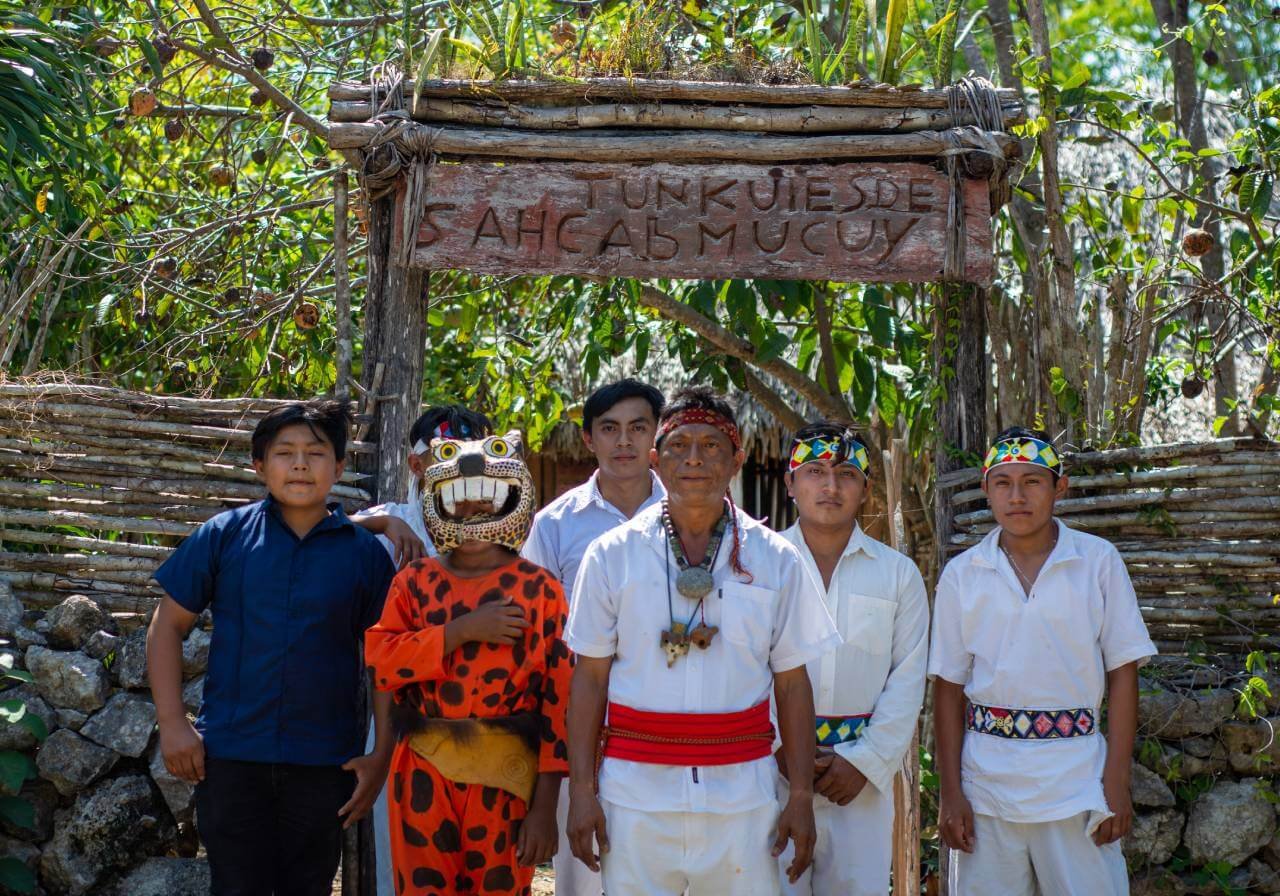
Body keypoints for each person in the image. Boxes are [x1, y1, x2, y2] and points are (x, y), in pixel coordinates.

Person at [564, 387, 841, 896]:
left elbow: (794, 683)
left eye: (711, 445)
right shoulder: (611, 556)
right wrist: (582, 790)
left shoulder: (775, 559)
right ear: (656, 458)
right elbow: (589, 677)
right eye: (679, 444)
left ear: (737, 459)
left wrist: (800, 794)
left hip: (744, 798)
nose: (693, 459)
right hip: (635, 798)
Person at [148, 399, 397, 896]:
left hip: (325, 763)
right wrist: (173, 724)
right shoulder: (223, 537)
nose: (300, 464)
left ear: (340, 466)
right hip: (232, 757)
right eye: (284, 452)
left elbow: (385, 661)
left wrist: (382, 752)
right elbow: (165, 627)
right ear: (259, 465)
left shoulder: (365, 556)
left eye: (316, 452)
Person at [929, 427, 1156, 895]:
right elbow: (948, 688)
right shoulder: (962, 575)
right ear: (987, 491)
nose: (1017, 496)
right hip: (986, 786)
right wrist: (951, 794)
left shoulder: (1097, 562)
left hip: (1077, 784)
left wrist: (1115, 779)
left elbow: (1123, 672)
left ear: (1060, 487)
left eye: (1033, 481)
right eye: (1003, 483)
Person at [365, 429, 571, 896]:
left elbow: (559, 701)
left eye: (485, 504)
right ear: (438, 501)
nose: (472, 513)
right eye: (460, 503)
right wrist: (460, 632)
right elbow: (381, 662)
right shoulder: (413, 583)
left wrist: (545, 806)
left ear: (510, 498)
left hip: (507, 775)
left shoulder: (540, 590)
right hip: (422, 767)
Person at [521, 378, 664, 896]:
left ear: (656, 435)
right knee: (585, 868)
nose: (623, 442)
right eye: (609, 429)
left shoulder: (693, 519)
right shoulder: (555, 525)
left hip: (667, 714)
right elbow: (534, 627)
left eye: (637, 427)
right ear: (588, 440)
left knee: (666, 860)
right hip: (579, 718)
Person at [774, 422, 929, 896]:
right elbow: (741, 671)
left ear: (865, 488)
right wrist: (780, 751)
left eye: (845, 474)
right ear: (790, 482)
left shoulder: (898, 575)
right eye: (815, 471)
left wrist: (864, 762)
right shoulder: (760, 566)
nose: (829, 485)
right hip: (771, 774)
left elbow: (908, 679)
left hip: (858, 783)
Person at [352, 403, 494, 896]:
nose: (457, 468)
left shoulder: (509, 530)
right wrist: (384, 524)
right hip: (404, 716)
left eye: (469, 456)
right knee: (408, 862)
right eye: (442, 455)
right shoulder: (397, 523)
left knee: (487, 860)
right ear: (416, 465)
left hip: (492, 716)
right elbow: (327, 527)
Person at [355, 404, 494, 568]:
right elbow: (323, 529)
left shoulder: (497, 534)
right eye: (448, 455)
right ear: (417, 466)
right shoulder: (383, 530)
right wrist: (384, 524)